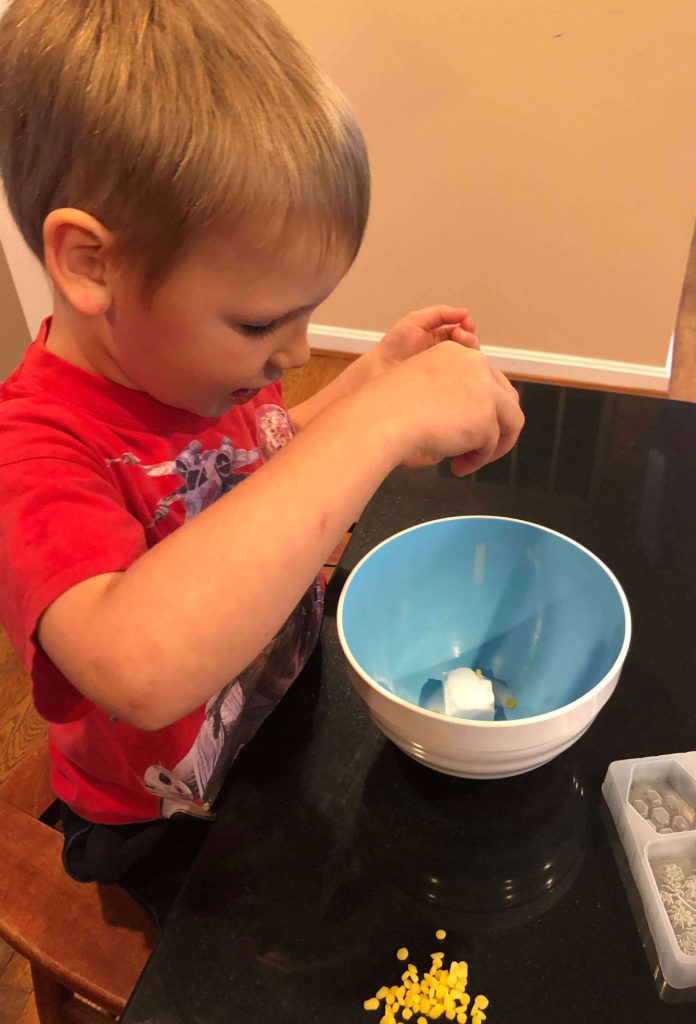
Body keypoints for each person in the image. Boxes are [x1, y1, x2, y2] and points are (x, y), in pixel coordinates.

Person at [0, 0, 524, 925]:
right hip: (169, 818)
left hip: (279, 709)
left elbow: (261, 475)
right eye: (259, 323)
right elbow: (143, 663)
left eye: (307, 316)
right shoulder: (35, 453)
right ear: (90, 264)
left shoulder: (200, 372)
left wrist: (368, 382)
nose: (291, 354)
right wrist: (385, 424)